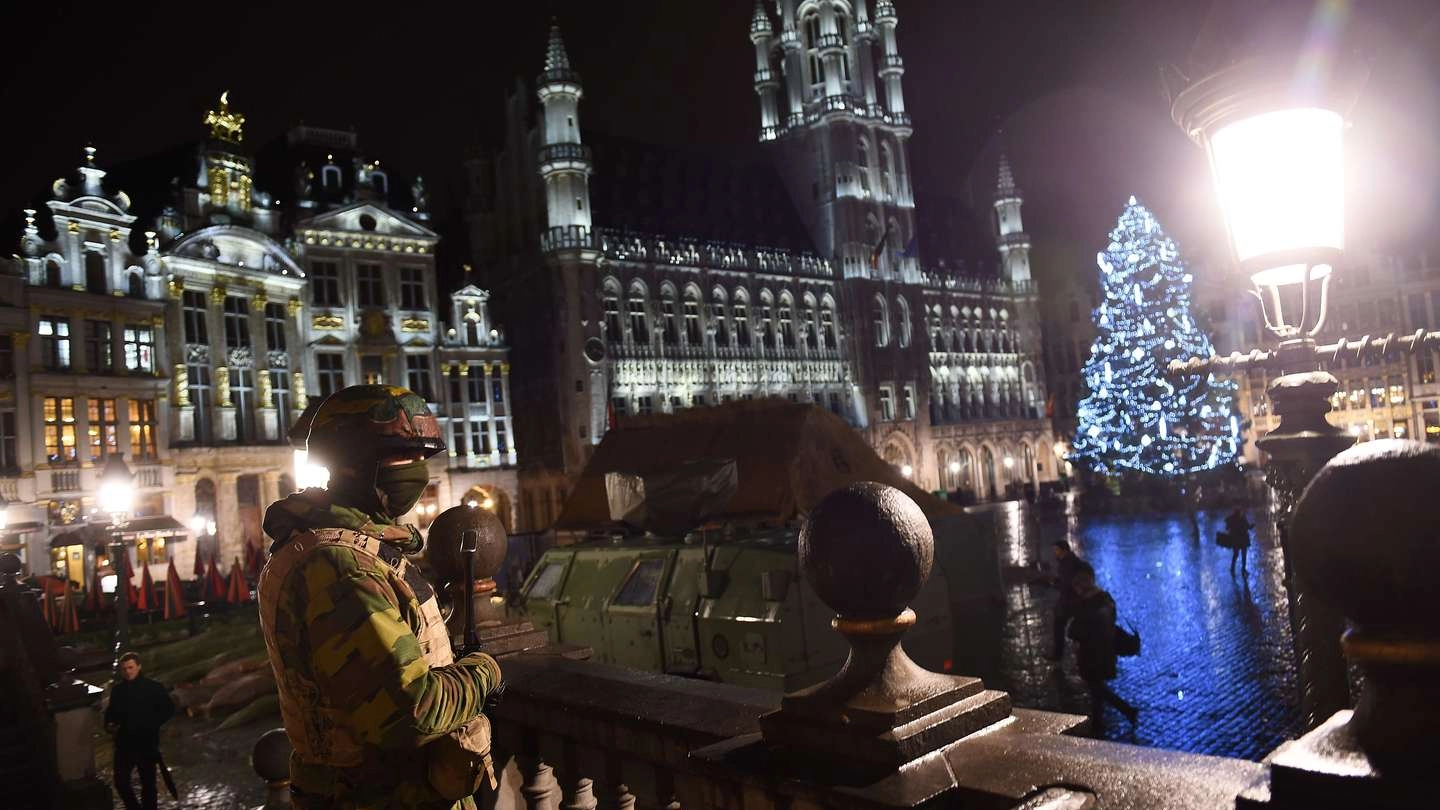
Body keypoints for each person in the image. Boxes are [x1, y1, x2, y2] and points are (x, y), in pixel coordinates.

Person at [259, 385, 503, 810]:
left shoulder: (356, 546)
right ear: (352, 461)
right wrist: (484, 673)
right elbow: (413, 711)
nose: (417, 471)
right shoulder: (339, 565)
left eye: (423, 457)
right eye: (401, 455)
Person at [1067, 568, 1138, 726]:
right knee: (1096, 687)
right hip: (1105, 651)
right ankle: (1101, 719)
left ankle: (1124, 712)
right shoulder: (1105, 599)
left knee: (1096, 687)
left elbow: (1078, 630)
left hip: (1092, 653)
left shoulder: (1086, 604)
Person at [105, 652, 175, 810]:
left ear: (138, 667)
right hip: (124, 743)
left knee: (148, 784)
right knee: (121, 781)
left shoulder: (153, 687)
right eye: (124, 669)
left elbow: (168, 709)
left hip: (146, 742)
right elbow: (111, 713)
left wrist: (152, 724)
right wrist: (109, 725)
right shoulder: (118, 691)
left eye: (130, 667)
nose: (128, 671)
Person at [1046, 541, 1093, 661]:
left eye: (1056, 550)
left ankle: (1059, 655)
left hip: (1070, 601)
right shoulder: (1070, 561)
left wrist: (1054, 583)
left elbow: (1066, 585)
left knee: (1059, 625)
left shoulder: (1067, 563)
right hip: (1074, 600)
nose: (1054, 553)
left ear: (1063, 550)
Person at [1225, 508, 1253, 574]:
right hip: (1243, 539)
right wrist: (1252, 526)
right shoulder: (1243, 518)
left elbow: (1227, 528)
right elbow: (1248, 527)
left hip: (1235, 540)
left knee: (1236, 554)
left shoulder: (1231, 519)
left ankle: (1232, 568)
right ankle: (1243, 569)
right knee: (1243, 555)